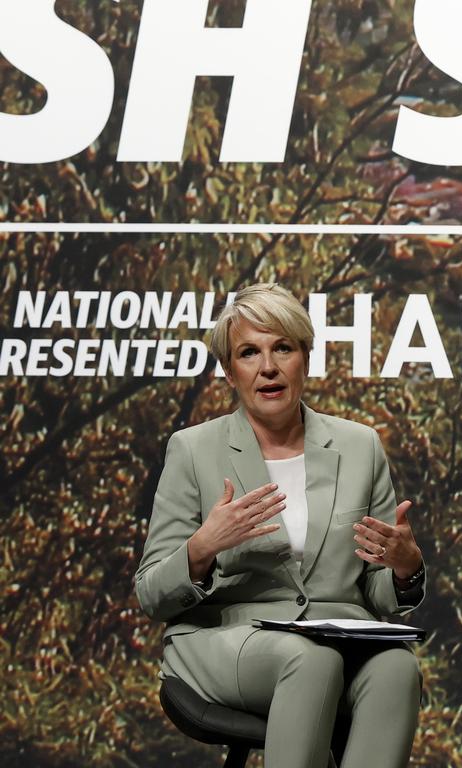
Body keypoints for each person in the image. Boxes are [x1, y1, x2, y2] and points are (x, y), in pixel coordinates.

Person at [135, 283, 426, 768]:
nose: (268, 367)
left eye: (282, 348)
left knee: (397, 667)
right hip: (224, 640)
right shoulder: (193, 449)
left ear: (304, 358)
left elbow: (377, 592)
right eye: (249, 353)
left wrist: (404, 569)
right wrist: (203, 547)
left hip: (339, 636)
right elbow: (151, 595)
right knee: (309, 659)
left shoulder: (360, 446)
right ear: (230, 372)